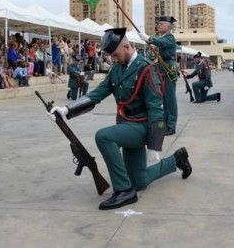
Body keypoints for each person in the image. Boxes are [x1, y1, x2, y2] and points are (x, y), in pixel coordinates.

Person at [48, 28, 192, 210]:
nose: (113, 59)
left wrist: (155, 146)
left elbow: (156, 109)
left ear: (126, 46)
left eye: (115, 55)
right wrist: (67, 110)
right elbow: (97, 94)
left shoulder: (147, 68)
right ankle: (177, 159)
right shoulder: (117, 70)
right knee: (140, 181)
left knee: (104, 136)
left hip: (141, 128)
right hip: (126, 127)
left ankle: (124, 191)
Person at [138, 16, 178, 136]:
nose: (158, 25)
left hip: (168, 68)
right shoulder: (161, 38)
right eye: (158, 24)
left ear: (168, 26)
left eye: (161, 24)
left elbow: (162, 43)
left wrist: (149, 38)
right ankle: (164, 124)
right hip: (161, 67)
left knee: (169, 99)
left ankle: (171, 126)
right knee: (163, 98)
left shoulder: (170, 38)